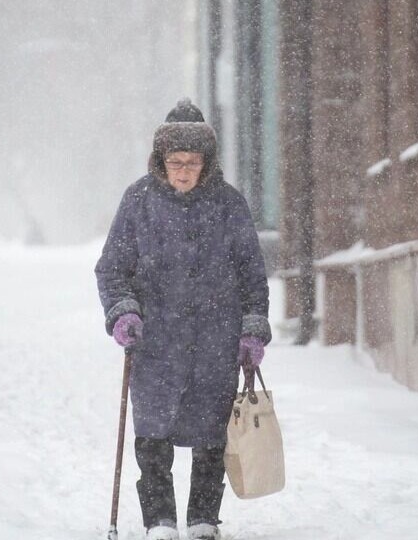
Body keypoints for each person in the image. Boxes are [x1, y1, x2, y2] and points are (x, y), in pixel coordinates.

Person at [95, 99, 271, 540]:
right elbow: (113, 268)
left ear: (206, 162)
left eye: (192, 162)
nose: (184, 171)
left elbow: (252, 274)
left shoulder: (229, 204)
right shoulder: (138, 200)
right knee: (153, 434)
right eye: (176, 161)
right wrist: (124, 312)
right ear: (161, 161)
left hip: (215, 339)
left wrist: (251, 330)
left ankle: (202, 520)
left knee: (212, 435)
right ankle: (159, 521)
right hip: (156, 343)